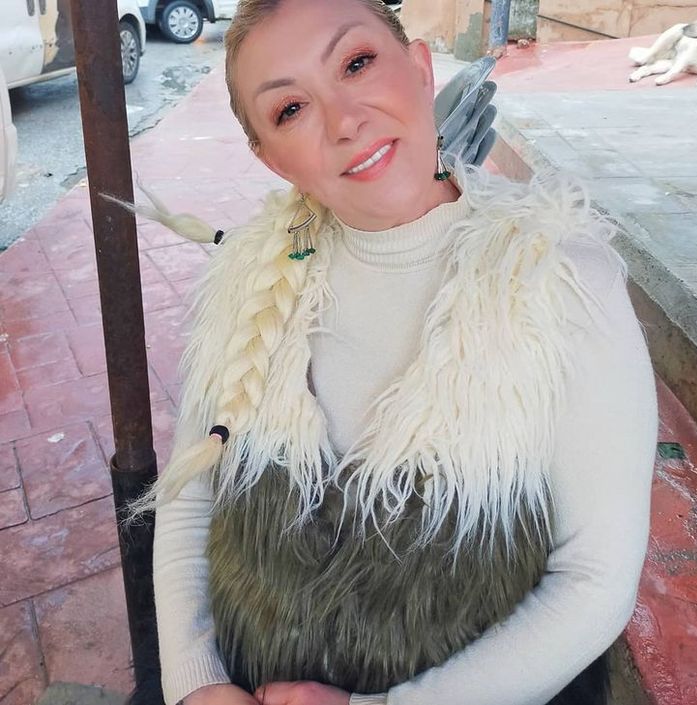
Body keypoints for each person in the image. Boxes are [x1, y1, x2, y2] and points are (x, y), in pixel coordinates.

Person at [125, 1, 659, 704]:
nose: (344, 120)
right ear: (269, 156)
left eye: (356, 64)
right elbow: (191, 499)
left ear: (420, 68)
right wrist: (196, 684)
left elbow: (593, 580)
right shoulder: (246, 283)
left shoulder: (563, 280)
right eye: (290, 109)